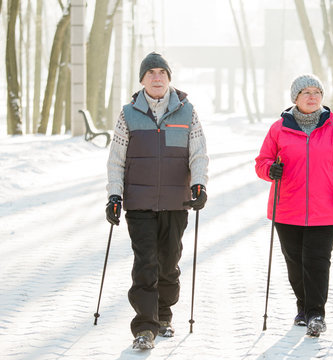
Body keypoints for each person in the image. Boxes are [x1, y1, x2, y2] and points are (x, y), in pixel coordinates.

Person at [105, 52, 209, 350]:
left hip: (177, 202)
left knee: (168, 264)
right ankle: (145, 326)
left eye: (161, 72)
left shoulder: (187, 112)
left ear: (169, 78)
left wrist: (199, 185)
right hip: (139, 203)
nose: (156, 77)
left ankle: (164, 314)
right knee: (145, 264)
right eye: (150, 72)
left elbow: (198, 152)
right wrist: (114, 195)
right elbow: (116, 160)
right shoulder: (128, 114)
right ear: (142, 80)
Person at [255, 74, 333, 337]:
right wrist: (271, 170)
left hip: (327, 209)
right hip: (287, 209)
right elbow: (262, 161)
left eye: (316, 92)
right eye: (306, 93)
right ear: (295, 98)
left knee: (316, 261)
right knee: (295, 264)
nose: (312, 97)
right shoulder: (279, 128)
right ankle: (303, 307)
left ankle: (316, 314)